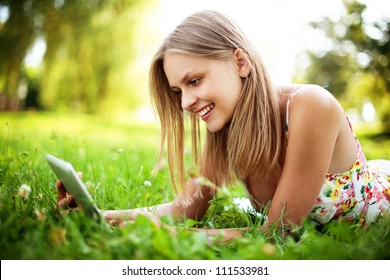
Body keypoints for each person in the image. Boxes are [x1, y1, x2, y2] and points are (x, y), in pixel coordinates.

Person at [57, 10, 390, 242]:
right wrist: (99, 213)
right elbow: (183, 210)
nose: (185, 102)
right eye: (178, 91)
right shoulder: (223, 131)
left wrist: (182, 238)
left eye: (195, 80)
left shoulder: (311, 106)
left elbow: (279, 235)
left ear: (240, 62)